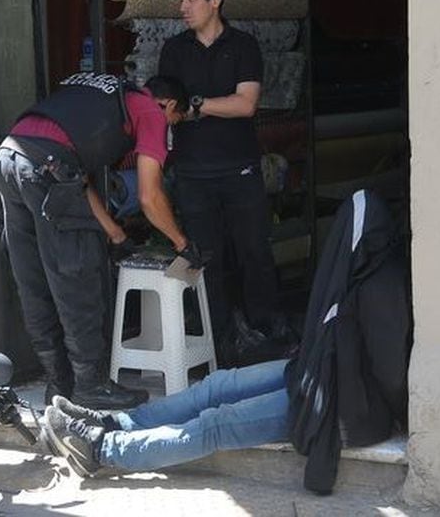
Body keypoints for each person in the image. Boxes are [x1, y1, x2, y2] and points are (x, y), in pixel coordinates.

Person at [40, 190, 412, 495]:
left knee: (218, 422)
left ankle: (101, 449)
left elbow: (391, 374)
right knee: (218, 385)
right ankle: (117, 422)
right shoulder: (362, 269)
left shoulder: (384, 286)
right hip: (316, 374)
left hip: (340, 403)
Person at [0, 73, 205, 411]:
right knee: (77, 275)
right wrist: (181, 242)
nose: (168, 132)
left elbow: (73, 178)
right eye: (174, 123)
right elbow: (150, 196)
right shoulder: (151, 112)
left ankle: (59, 384)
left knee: (34, 280)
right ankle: (91, 385)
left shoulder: (107, 94)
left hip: (9, 158)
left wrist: (116, 234)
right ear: (171, 106)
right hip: (45, 167)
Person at [156, 0, 289, 362]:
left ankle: (268, 337)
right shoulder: (173, 50)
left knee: (254, 252)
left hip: (240, 170)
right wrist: (206, 106)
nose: (184, 6)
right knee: (205, 260)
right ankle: (218, 346)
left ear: (216, 1)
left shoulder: (243, 46)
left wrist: (197, 105)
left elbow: (246, 104)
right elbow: (168, 108)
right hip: (193, 172)